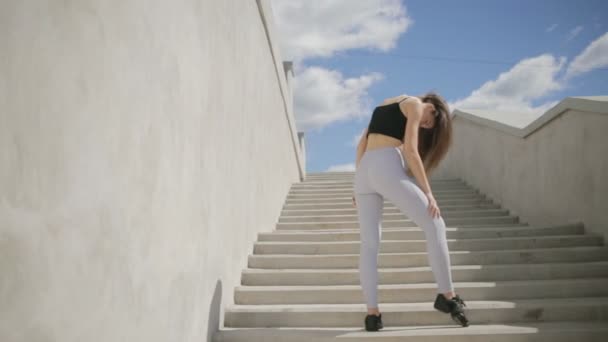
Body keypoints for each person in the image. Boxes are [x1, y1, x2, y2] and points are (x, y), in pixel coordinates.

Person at [352, 91, 469, 331]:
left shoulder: (384, 103)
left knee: (369, 244)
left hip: (364, 171)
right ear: (433, 109)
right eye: (430, 122)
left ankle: (372, 315)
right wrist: (428, 193)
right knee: (435, 223)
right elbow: (411, 151)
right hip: (386, 165)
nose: (426, 125)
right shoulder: (416, 105)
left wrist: (358, 181)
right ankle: (447, 296)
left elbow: (361, 143)